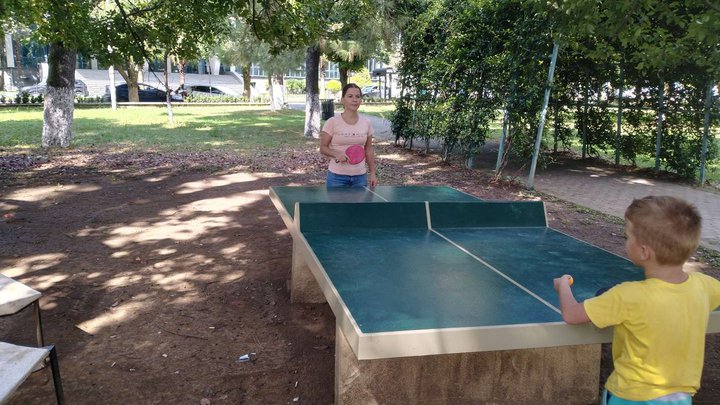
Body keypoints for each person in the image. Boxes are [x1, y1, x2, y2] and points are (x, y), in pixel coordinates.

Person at [553, 195, 720, 405]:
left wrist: (563, 286)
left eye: (628, 236)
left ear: (643, 252)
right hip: (679, 397)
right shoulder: (704, 286)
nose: (626, 241)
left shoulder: (627, 295)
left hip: (630, 396)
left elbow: (571, 314)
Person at [320, 83, 378, 187]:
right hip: (336, 177)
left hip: (360, 177)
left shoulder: (366, 123)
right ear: (342, 99)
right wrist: (336, 154)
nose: (354, 100)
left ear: (361, 100)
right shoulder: (332, 122)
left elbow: (368, 149)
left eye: (358, 96)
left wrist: (373, 173)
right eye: (350, 96)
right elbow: (323, 148)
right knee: (336, 204)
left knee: (358, 204)